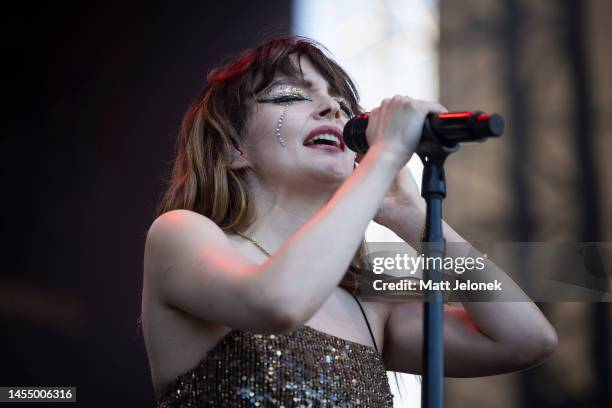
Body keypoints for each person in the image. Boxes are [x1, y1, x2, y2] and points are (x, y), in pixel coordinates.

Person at [141, 36, 558, 407]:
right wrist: (385, 156)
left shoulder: (368, 302)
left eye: (343, 105)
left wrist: (411, 216)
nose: (332, 109)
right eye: (289, 95)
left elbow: (526, 339)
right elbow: (278, 302)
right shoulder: (182, 234)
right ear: (234, 148)